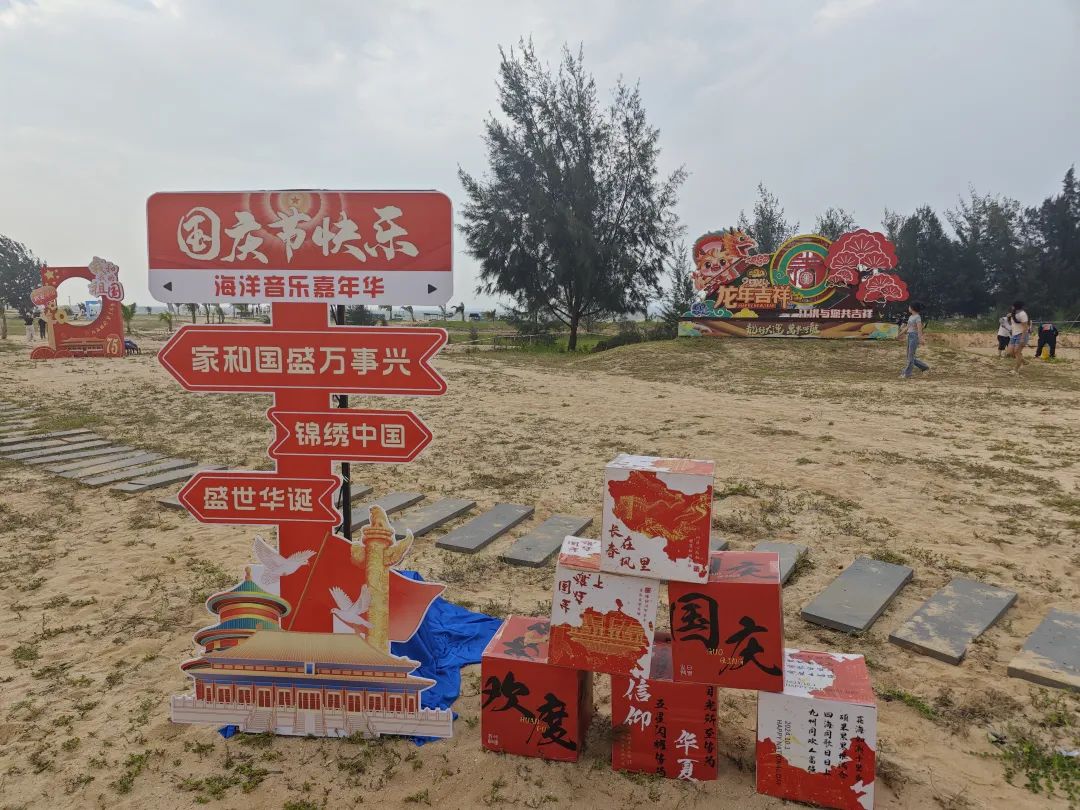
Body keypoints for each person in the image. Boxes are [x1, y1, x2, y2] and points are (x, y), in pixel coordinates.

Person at [898, 302, 930, 378]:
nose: (908, 308)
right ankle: (924, 367)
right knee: (909, 356)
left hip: (914, 337)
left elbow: (919, 329)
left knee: (910, 356)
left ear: (912, 308)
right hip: (910, 336)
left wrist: (921, 339)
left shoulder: (917, 317)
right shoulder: (911, 317)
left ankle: (907, 374)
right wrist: (899, 334)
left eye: (909, 307)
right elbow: (907, 327)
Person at [1007, 300, 1030, 373]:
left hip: (1021, 334)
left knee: (1017, 352)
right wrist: (1008, 318)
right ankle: (1023, 361)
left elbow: (1025, 327)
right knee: (1010, 352)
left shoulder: (1023, 314)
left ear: (1015, 307)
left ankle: (1016, 370)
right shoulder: (1012, 314)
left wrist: (1022, 338)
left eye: (1013, 306)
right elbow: (1012, 324)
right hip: (1014, 335)